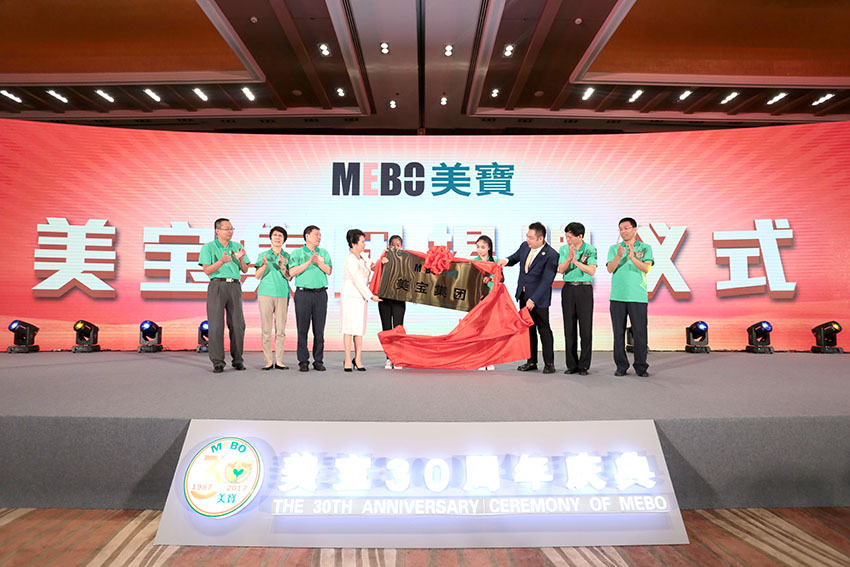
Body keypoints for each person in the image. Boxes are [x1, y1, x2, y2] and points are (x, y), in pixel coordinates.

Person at [497, 222, 559, 374]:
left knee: (543, 329)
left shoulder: (551, 254)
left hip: (539, 299)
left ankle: (549, 363)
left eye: (531, 238)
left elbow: (547, 281)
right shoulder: (525, 247)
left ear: (540, 238)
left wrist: (534, 299)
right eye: (527, 236)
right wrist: (505, 261)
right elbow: (515, 258)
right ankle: (531, 361)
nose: (528, 240)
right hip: (524, 295)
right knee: (528, 330)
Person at [199, 218, 251, 373]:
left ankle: (238, 360)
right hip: (217, 285)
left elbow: (245, 269)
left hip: (234, 286)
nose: (230, 232)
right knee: (216, 324)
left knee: (238, 324)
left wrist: (240, 259)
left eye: (232, 229)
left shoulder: (237, 246)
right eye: (227, 229)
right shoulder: (208, 247)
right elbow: (207, 270)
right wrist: (221, 261)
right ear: (217, 231)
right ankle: (218, 362)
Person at [606, 217, 654, 377]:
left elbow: (646, 268)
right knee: (618, 333)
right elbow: (610, 269)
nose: (623, 231)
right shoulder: (615, 248)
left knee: (640, 332)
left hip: (637, 296)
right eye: (621, 229)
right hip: (617, 296)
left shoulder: (645, 247)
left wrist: (632, 257)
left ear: (635, 229)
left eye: (626, 228)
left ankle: (641, 366)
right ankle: (621, 366)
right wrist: (619, 256)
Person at [288, 225, 333, 372]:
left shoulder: (323, 252)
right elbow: (292, 272)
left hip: (321, 294)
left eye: (320, 235)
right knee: (302, 329)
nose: (319, 237)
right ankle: (303, 361)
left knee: (319, 330)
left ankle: (318, 360)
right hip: (303, 294)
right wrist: (309, 262)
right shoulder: (297, 253)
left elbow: (329, 270)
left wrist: (318, 262)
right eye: (316, 234)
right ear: (307, 236)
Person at [558, 222, 597, 376]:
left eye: (570, 237)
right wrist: (569, 259)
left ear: (580, 236)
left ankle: (584, 365)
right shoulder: (564, 249)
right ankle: (571, 364)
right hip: (568, 288)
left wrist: (576, 262)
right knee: (569, 328)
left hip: (584, 289)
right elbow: (561, 269)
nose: (567, 240)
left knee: (586, 329)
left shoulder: (590, 249)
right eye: (566, 237)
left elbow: (591, 270)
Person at [341, 229, 381, 371]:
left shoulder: (363, 256)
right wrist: (371, 296)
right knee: (348, 328)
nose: (364, 244)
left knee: (359, 328)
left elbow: (373, 267)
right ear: (354, 243)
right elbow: (357, 281)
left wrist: (382, 262)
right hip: (350, 296)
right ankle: (347, 358)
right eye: (362, 242)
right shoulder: (350, 259)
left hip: (361, 297)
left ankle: (357, 358)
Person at [254, 226, 291, 370]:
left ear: (284, 239)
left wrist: (283, 267)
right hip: (265, 293)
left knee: (280, 329)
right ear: (270, 238)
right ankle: (268, 360)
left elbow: (289, 277)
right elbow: (257, 276)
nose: (277, 238)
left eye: (280, 235)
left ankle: (279, 360)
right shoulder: (263, 255)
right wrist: (264, 265)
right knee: (266, 329)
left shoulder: (287, 256)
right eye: (275, 235)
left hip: (282, 294)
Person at [378, 235, 406, 369]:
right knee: (387, 329)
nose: (395, 247)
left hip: (399, 300)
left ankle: (398, 358)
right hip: (384, 300)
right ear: (389, 246)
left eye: (398, 245)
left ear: (402, 247)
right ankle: (389, 358)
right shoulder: (383, 259)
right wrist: (381, 264)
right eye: (393, 245)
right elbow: (376, 273)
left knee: (398, 329)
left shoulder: (407, 261)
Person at [474, 235, 499, 371]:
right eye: (478, 247)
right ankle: (480, 360)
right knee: (479, 329)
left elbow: (502, 278)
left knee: (490, 329)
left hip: (492, 298)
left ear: (489, 247)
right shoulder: (474, 261)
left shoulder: (495, 261)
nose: (480, 250)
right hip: (478, 298)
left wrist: (492, 278)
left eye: (483, 247)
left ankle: (490, 360)